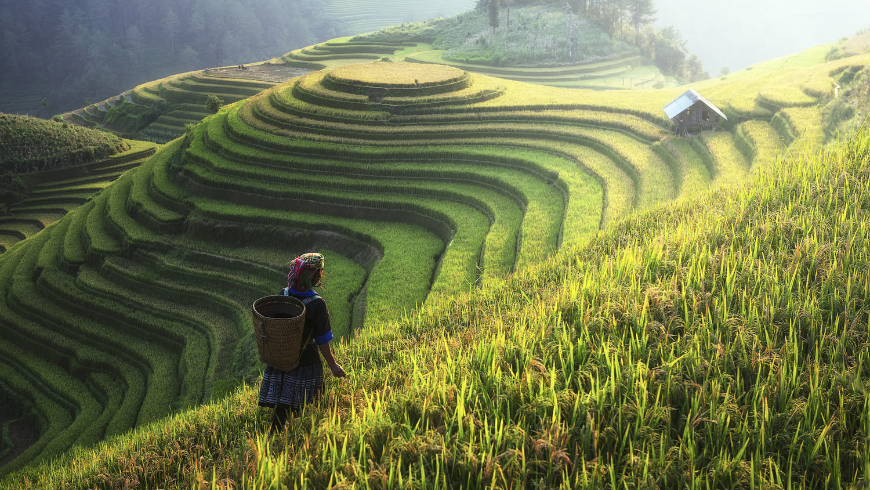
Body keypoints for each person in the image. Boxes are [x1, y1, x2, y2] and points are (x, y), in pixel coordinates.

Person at [258, 253, 346, 433]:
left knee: (284, 401)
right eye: (320, 273)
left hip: (283, 357)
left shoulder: (284, 294)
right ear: (315, 275)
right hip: (305, 359)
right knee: (310, 400)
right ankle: (304, 436)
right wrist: (333, 365)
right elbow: (322, 341)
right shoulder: (317, 304)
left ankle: (277, 437)